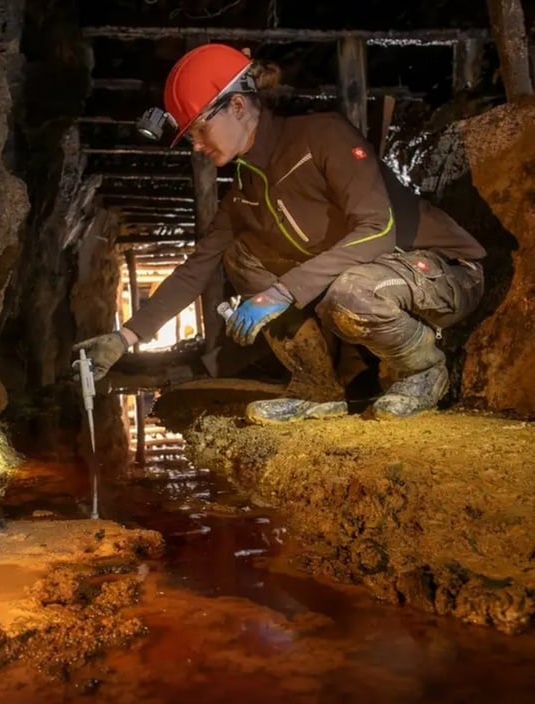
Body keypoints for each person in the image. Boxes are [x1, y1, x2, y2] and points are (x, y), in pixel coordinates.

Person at [74, 43, 485, 422]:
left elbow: (378, 229)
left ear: (237, 105)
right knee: (241, 256)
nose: (196, 145)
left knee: (349, 291)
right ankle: (319, 388)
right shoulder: (245, 191)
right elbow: (195, 269)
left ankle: (426, 370)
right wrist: (125, 337)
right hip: (372, 281)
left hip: (441, 272)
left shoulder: (323, 137)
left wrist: (282, 292)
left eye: (198, 129)